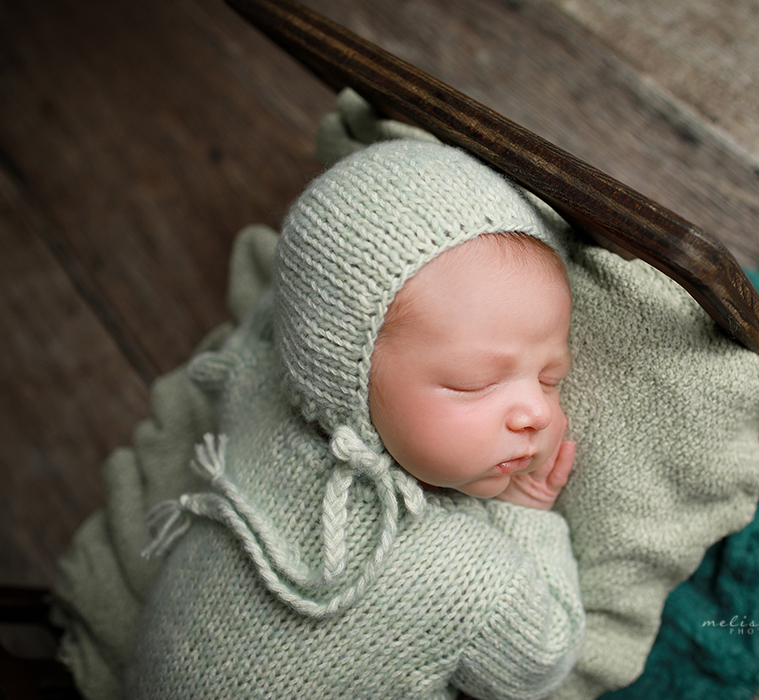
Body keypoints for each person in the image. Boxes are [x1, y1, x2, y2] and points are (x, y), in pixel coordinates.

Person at [124, 139, 586, 699]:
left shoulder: (256, 395)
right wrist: (527, 510)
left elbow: (274, 321)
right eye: (474, 383)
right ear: (346, 371)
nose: (537, 412)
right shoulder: (466, 575)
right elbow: (539, 661)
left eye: (551, 378)